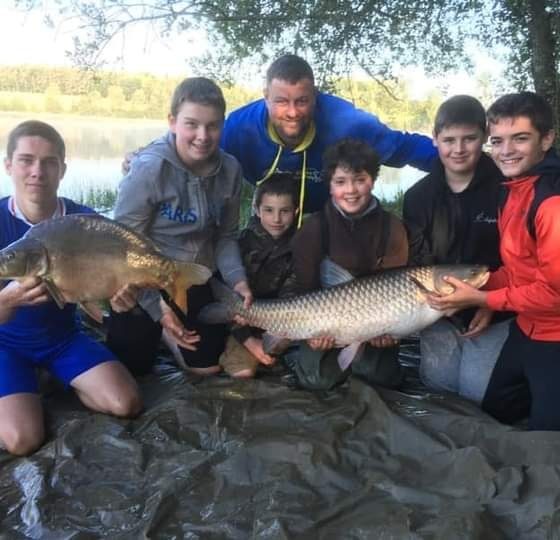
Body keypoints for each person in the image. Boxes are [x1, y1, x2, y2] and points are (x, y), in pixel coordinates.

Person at [0, 120, 142, 456]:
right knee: (22, 441)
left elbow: (106, 290)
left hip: (62, 340)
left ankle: (60, 378)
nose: (38, 171)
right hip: (5, 344)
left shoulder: (85, 222)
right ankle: (23, 389)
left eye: (49, 162)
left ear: (62, 169)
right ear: (9, 165)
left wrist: (119, 302)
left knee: (126, 403)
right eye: (26, 160)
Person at [428, 91, 560, 430]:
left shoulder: (552, 203)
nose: (506, 151)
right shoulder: (513, 189)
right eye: (498, 141)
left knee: (548, 439)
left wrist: (484, 299)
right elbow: (517, 272)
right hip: (527, 325)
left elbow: (554, 294)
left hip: (555, 331)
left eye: (520, 139)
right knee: (491, 408)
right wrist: (472, 285)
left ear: (546, 139)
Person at [106, 77, 252, 377]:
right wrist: (158, 309)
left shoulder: (231, 170)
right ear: (172, 122)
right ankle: (160, 331)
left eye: (212, 125)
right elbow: (121, 248)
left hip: (195, 277)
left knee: (207, 368)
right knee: (133, 368)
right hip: (145, 280)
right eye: (192, 124)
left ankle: (177, 338)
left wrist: (238, 280)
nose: (203, 135)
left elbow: (226, 236)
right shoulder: (148, 169)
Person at [221, 54, 437, 219]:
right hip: (272, 212)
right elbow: (200, 161)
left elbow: (405, 148)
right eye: (281, 101)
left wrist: (462, 165)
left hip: (329, 211)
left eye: (302, 101)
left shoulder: (344, 121)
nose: (292, 112)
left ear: (315, 96)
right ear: (266, 96)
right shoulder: (239, 128)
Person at [402, 95, 511, 403]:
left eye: (469, 139)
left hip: (494, 306)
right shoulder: (417, 197)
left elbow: (520, 260)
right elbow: (417, 260)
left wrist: (489, 303)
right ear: (435, 139)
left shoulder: (506, 188)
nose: (459, 149)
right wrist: (439, 304)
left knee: (476, 396)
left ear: (484, 138)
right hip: (439, 310)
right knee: (441, 390)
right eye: (449, 139)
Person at [285, 138, 408, 390]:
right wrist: (314, 335)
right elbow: (304, 290)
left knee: (379, 380)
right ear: (330, 186)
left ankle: (367, 360)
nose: (350, 190)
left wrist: (391, 331)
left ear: (373, 181)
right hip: (324, 321)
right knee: (317, 381)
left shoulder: (393, 228)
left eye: (359, 180)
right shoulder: (313, 229)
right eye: (340, 182)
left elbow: (398, 289)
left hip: (375, 323)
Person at [220, 173, 298, 378]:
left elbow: (292, 299)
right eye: (269, 210)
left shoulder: (300, 247)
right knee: (244, 373)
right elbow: (229, 297)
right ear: (256, 209)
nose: (277, 219)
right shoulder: (241, 243)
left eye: (285, 211)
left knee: (281, 351)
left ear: (296, 211)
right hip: (240, 322)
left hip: (282, 320)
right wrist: (247, 340)